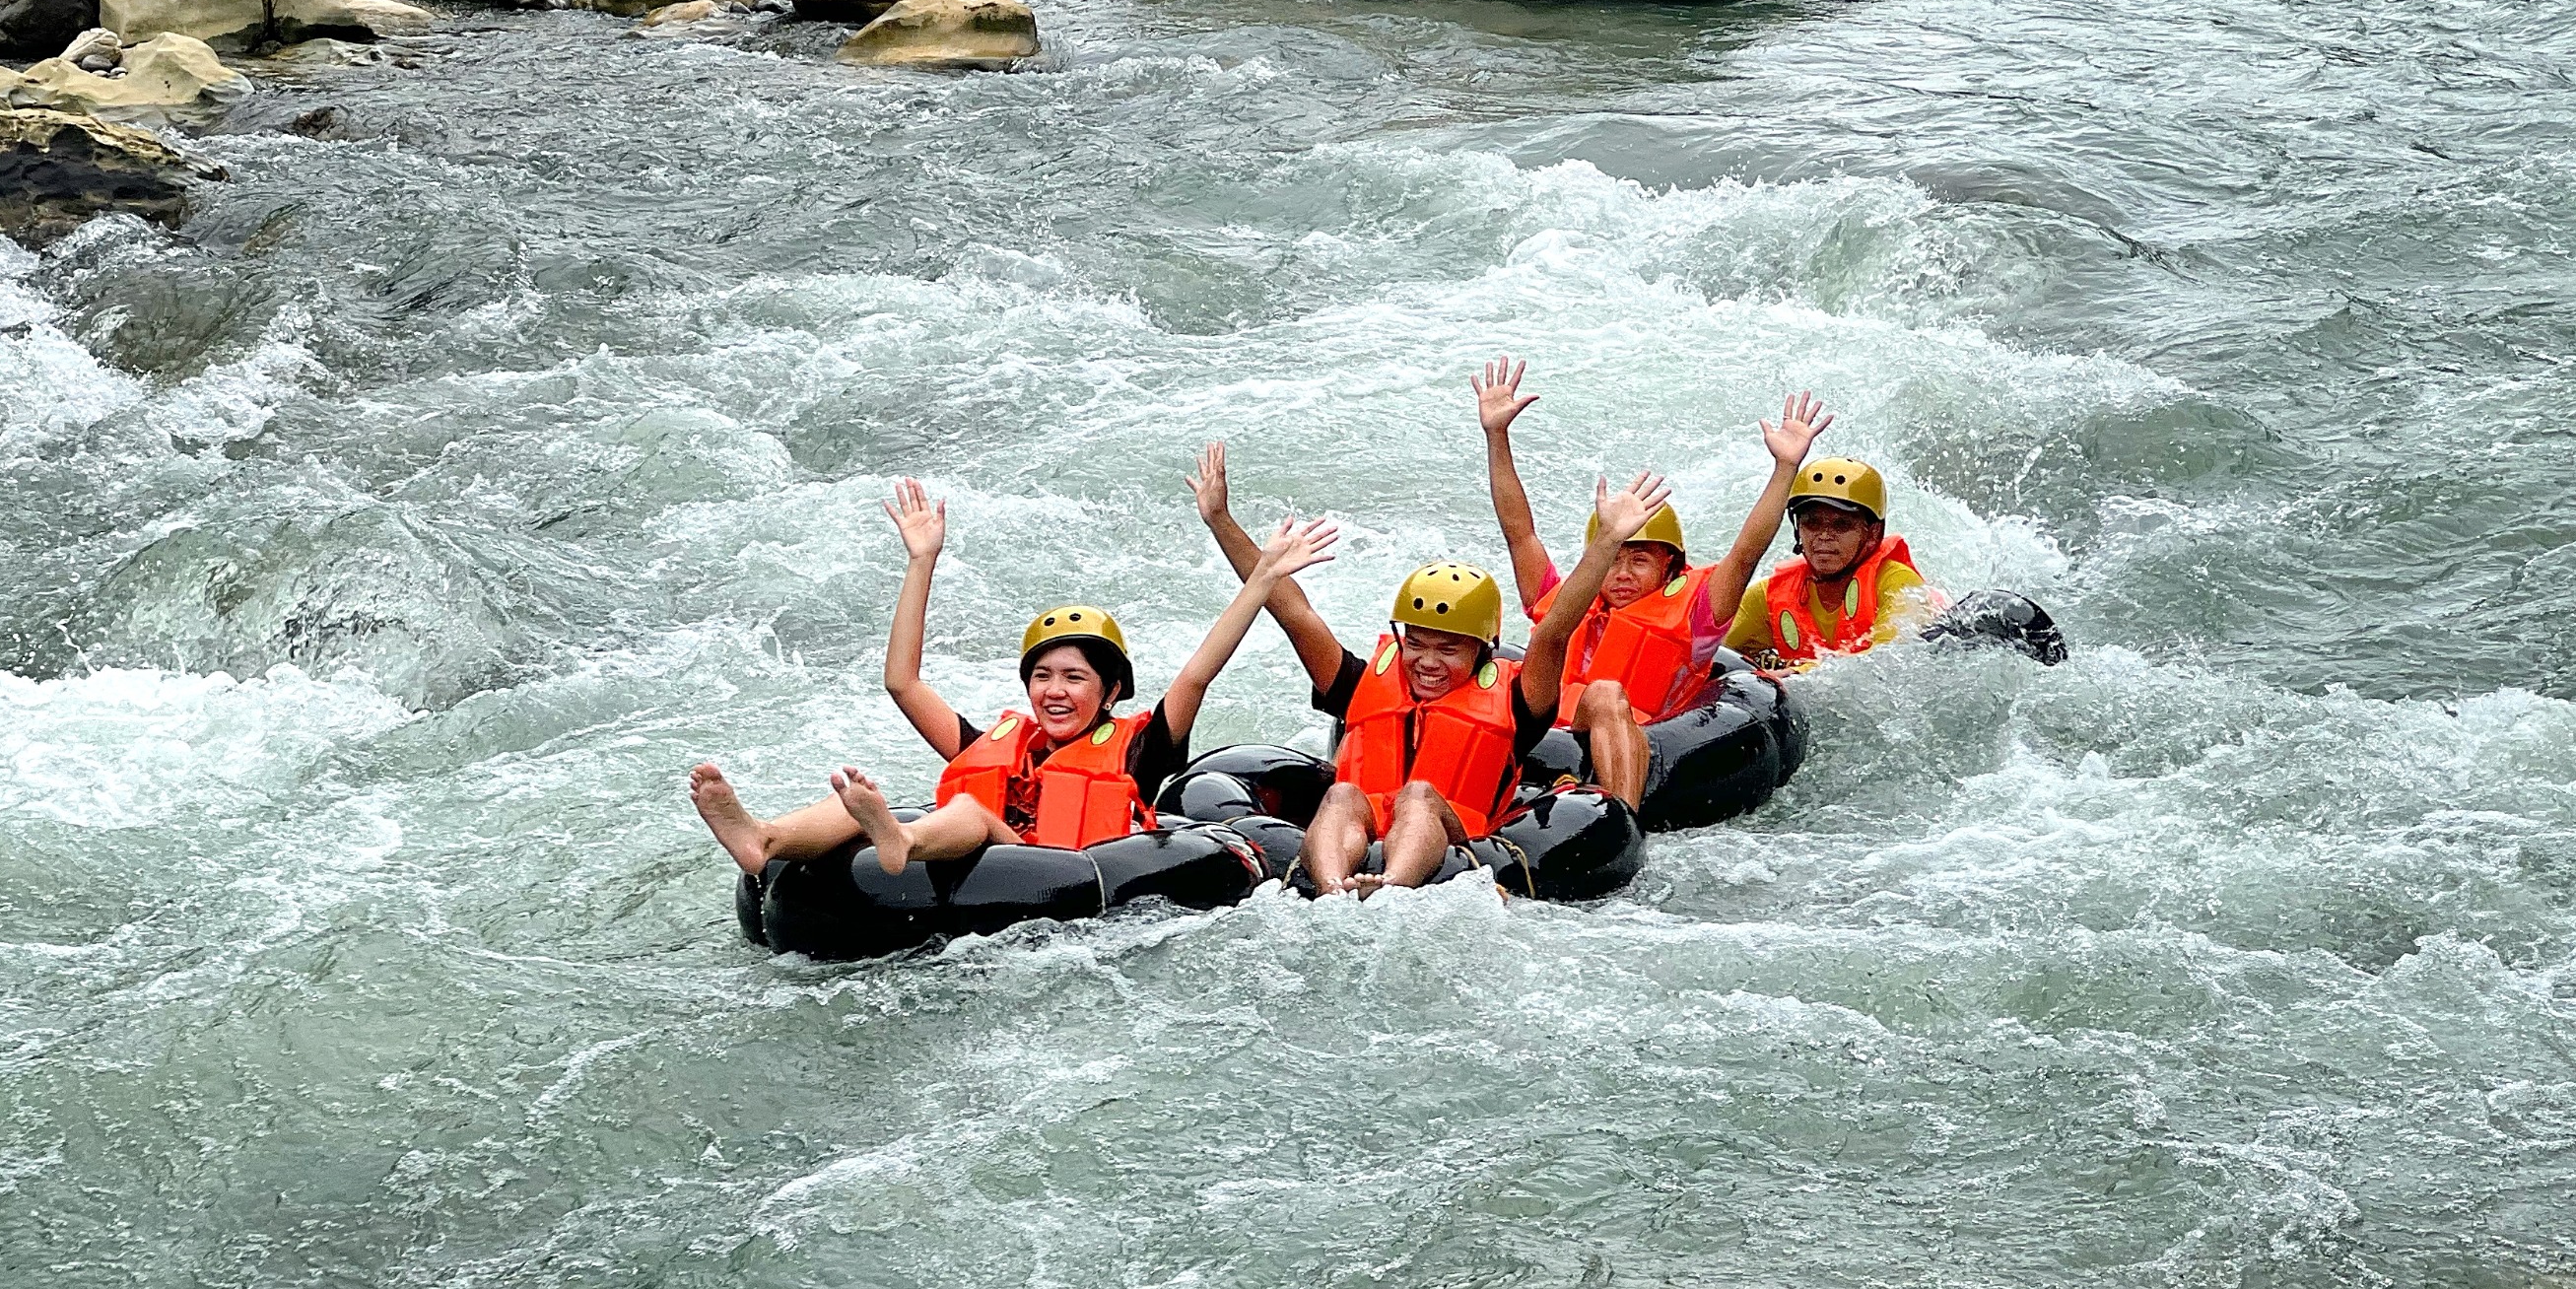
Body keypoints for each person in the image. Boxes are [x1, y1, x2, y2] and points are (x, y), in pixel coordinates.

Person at [691, 477, 1337, 878]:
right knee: (880, 801)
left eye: (1076, 678)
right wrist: (921, 561)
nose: (1056, 690)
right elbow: (901, 682)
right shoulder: (1001, 742)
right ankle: (764, 837)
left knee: (966, 808)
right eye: (1043, 675)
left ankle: (900, 837)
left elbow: (1200, 669)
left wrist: (1261, 579)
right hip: (993, 855)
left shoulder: (1142, 747)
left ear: (1110, 692)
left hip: (1078, 873)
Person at [1188, 441, 1674, 897]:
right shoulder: (1362, 683)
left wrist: (1608, 542)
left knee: (1418, 795)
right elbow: (1294, 612)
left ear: (1484, 651)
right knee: (1341, 796)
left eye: (1448, 650)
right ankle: (1335, 891)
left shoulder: (1516, 701)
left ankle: (1391, 887)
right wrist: (1221, 521)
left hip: (1457, 833)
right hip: (1363, 825)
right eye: (1416, 644)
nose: (1427, 662)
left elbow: (1553, 633)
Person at [1470, 356, 1833, 806]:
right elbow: (1519, 531)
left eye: (1639, 560)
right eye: (1612, 559)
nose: (1621, 574)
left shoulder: (1698, 613)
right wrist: (1497, 436)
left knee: (1604, 694)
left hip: (1647, 744)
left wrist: (1785, 468)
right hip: (1545, 746)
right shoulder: (1567, 600)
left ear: (1669, 567)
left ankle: (1618, 816)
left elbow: (1745, 553)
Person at [1731, 456, 1939, 667]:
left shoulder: (1899, 583)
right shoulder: (1768, 597)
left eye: (1841, 525)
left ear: (1872, 533)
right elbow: (1704, 646)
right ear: (1798, 529)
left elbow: (1892, 660)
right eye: (1812, 523)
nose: (1824, 536)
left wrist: (1799, 674)